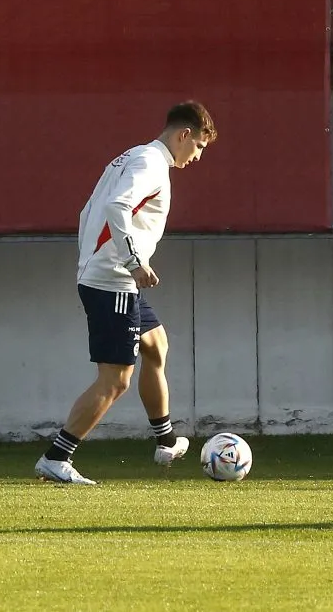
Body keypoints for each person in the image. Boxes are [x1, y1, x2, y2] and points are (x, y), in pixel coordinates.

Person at [35, 101, 217, 485]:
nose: (198, 156)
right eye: (199, 146)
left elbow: (88, 211)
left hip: (110, 276)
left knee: (155, 344)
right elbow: (117, 206)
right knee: (116, 380)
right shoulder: (151, 164)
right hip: (114, 280)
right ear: (184, 135)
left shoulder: (132, 156)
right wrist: (133, 262)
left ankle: (165, 440)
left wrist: (91, 259)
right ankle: (56, 457)